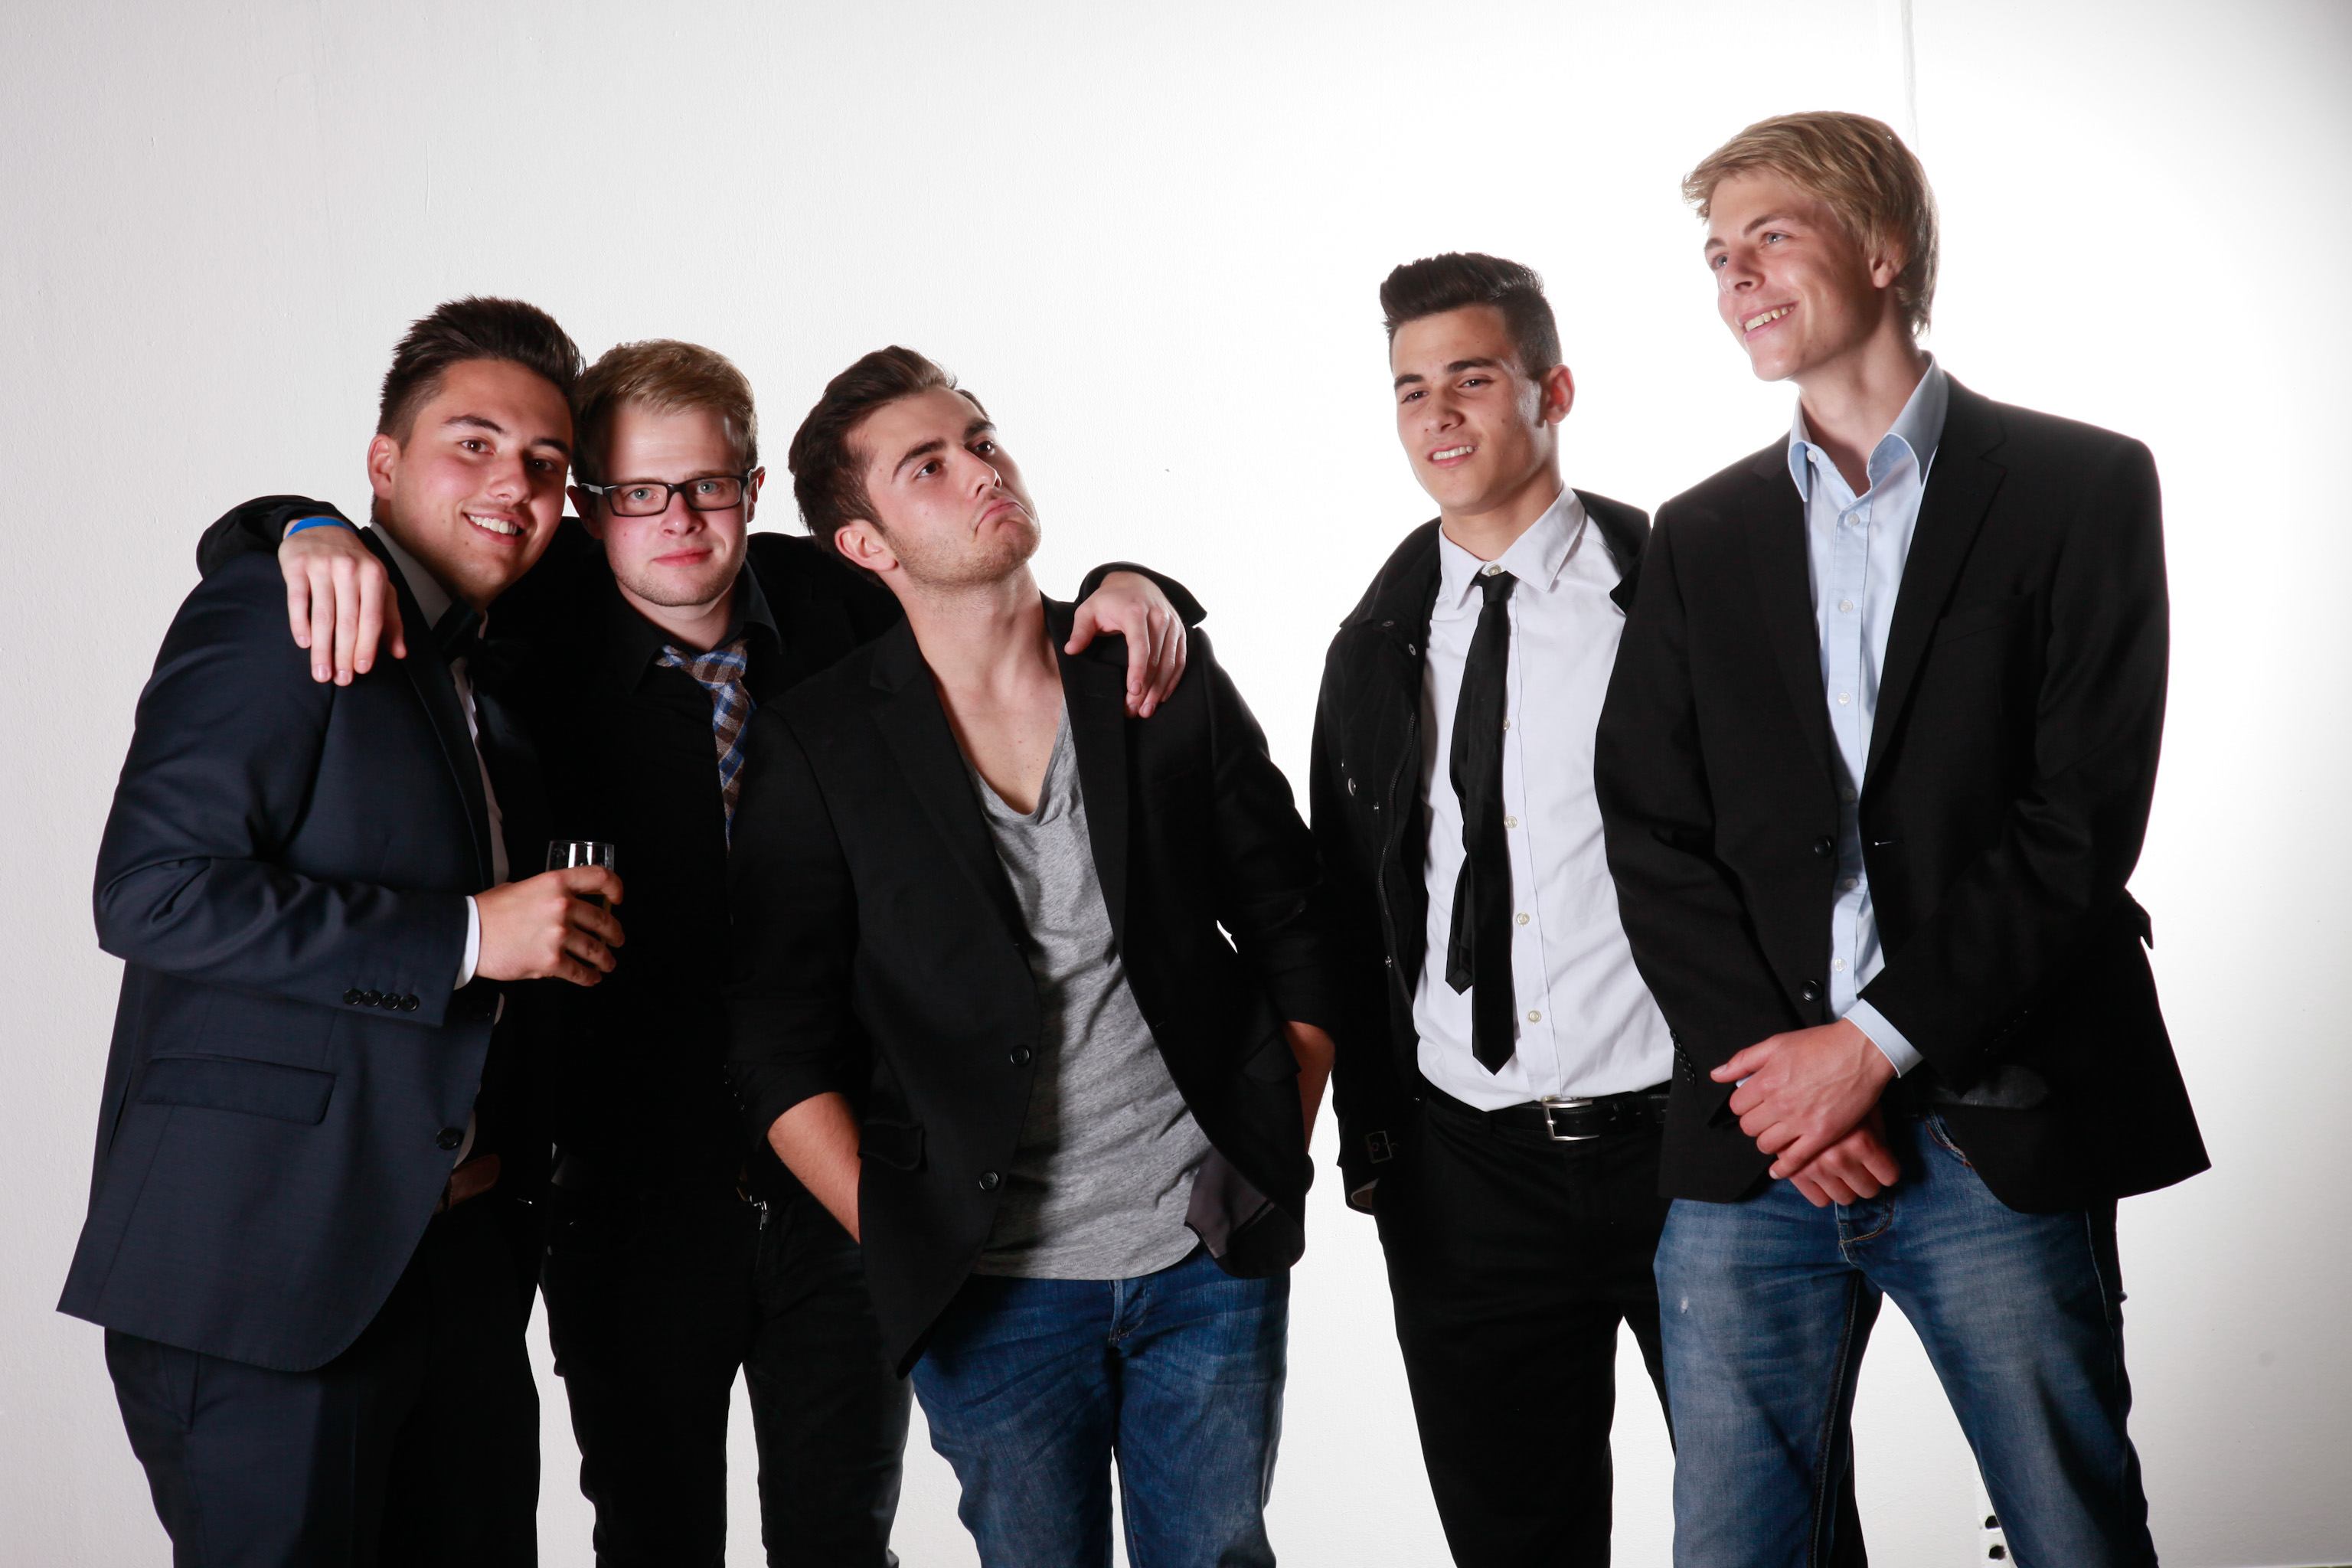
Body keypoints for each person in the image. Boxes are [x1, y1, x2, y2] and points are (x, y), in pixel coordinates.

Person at [194, 341, 1197, 1566]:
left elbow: (980, 578)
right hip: (627, 1204)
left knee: (841, 1541)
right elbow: (337, 550)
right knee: (653, 1538)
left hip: (843, 1182)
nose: (677, 519)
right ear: (590, 510)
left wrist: (1131, 581)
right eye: (638, 493)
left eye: (709, 486)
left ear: (754, 489)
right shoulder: (532, 627)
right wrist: (293, 524)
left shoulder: (833, 602)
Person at [1596, 112, 2208, 1567]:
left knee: (2072, 1534)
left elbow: (2080, 822)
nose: (1737, 279)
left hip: (1998, 1123)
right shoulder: (1700, 532)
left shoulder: (2080, 485)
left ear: (1883, 250)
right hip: (1757, 1151)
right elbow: (1652, 827)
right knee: (1733, 1549)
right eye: (1717, 257)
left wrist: (1866, 1052)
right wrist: (1784, 1086)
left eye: (1771, 238)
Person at [727, 346, 1338, 1568]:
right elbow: (776, 1045)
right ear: (865, 545)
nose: (982, 472)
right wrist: (907, 1235)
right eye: (928, 466)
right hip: (991, 1290)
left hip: (1204, 1251)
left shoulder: (1145, 666)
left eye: (982, 440)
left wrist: (1267, 1143)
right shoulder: (819, 745)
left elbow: (1293, 918)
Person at [63, 296, 622, 1563]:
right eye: (472, 444)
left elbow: (714, 554)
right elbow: (149, 890)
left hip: (462, 1268)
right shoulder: (285, 609)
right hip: (267, 1272)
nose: (514, 483)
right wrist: (466, 938)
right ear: (382, 463)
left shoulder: (501, 660)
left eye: (545, 463)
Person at [1308, 253, 1695, 1566]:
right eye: (1411, 389)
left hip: (1692, 1154)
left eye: (1470, 379)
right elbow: (1347, 902)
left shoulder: (1678, 589)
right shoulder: (1374, 641)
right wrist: (1379, 1146)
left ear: (1553, 392)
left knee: (1778, 1529)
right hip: (1466, 1172)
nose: (1439, 415)